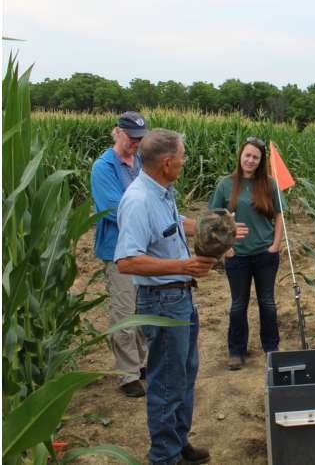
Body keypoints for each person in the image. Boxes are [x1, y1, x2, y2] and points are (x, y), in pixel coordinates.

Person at [115, 128, 246, 465]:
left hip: (180, 297)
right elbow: (127, 260)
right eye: (183, 157)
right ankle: (165, 457)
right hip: (161, 302)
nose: (186, 162)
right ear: (168, 162)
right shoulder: (139, 200)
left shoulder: (162, 191)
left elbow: (176, 223)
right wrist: (184, 264)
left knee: (185, 374)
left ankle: (178, 441)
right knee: (167, 383)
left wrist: (218, 224)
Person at [209, 137, 284, 370]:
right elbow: (215, 218)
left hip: (265, 254)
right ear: (240, 156)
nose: (250, 160)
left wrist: (276, 244)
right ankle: (236, 350)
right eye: (247, 155)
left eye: (255, 157)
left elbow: (280, 215)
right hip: (237, 255)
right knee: (238, 305)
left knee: (268, 303)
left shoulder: (270, 184)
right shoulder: (225, 185)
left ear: (261, 161)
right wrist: (226, 247)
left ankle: (271, 348)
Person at [90, 111, 149, 398]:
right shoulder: (103, 167)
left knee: (142, 308)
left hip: (142, 248)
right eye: (131, 138)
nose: (136, 144)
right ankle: (128, 374)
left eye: (140, 139)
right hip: (118, 251)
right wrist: (147, 216)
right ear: (117, 132)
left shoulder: (138, 163)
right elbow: (114, 208)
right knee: (124, 311)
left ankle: (142, 362)